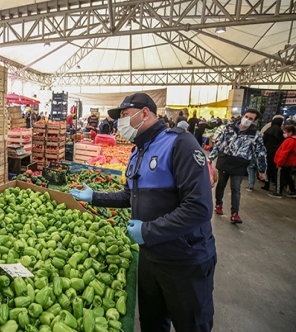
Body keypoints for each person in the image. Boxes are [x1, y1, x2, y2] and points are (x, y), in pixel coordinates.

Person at [70, 93, 216, 332]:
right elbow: (130, 195)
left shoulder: (180, 143)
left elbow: (199, 208)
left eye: (126, 116)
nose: (120, 123)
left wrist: (147, 230)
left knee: (191, 325)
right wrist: (95, 196)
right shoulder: (138, 151)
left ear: (144, 113)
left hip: (184, 259)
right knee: (151, 323)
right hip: (150, 256)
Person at [208, 109, 267, 224]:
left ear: (254, 122)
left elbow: (260, 152)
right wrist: (210, 158)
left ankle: (235, 213)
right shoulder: (228, 128)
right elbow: (219, 144)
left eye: (251, 119)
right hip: (225, 160)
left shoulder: (255, 134)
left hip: (240, 164)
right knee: (221, 185)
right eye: (246, 116)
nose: (247, 120)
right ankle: (218, 204)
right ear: (242, 116)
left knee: (236, 188)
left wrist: (262, 169)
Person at [268, 124, 296, 198]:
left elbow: (283, 153)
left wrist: (279, 164)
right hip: (289, 163)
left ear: (290, 132)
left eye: (285, 132)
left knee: (279, 177)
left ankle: (278, 192)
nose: (284, 134)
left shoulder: (289, 141)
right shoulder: (294, 140)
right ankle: (293, 191)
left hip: (283, 163)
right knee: (287, 176)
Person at [261, 117, 284, 191]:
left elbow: (263, 140)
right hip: (277, 152)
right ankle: (277, 186)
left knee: (267, 168)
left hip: (267, 150)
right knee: (275, 169)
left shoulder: (269, 130)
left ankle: (266, 184)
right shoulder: (281, 131)